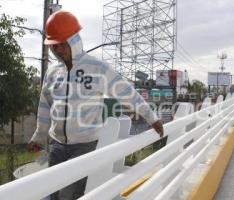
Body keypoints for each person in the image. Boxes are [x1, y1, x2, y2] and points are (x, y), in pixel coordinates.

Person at [27, 10, 164, 200]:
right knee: (54, 194)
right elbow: (45, 106)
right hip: (56, 145)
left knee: (70, 194)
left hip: (85, 145)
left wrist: (151, 117)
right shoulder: (52, 73)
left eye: (61, 44)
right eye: (53, 46)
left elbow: (127, 93)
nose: (57, 50)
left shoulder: (97, 68)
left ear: (74, 41)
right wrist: (39, 136)